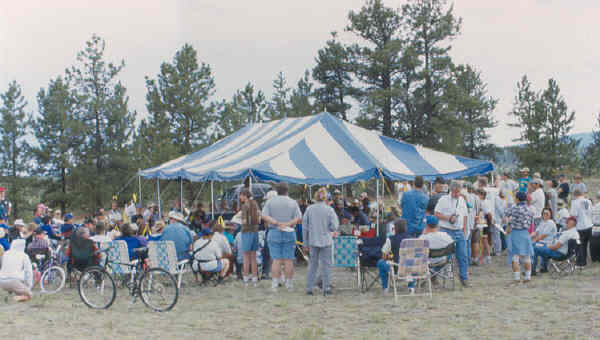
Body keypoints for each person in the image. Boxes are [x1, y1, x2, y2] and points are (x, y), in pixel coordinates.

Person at [261, 183, 302, 292]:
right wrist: (288, 224)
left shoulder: (270, 202)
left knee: (276, 260)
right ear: (287, 191)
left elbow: (264, 216)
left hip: (274, 231)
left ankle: (275, 283)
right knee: (289, 260)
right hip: (289, 232)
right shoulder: (293, 202)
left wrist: (276, 222)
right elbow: (299, 218)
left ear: (277, 191)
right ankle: (289, 284)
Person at [303, 187, 339, 296]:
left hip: (313, 240)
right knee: (326, 265)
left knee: (312, 264)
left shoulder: (309, 209)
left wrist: (305, 243)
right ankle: (326, 288)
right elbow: (334, 226)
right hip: (326, 240)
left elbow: (305, 227)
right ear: (326, 198)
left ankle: (309, 288)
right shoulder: (329, 210)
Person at [434, 181, 470, 287]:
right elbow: (436, 213)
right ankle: (434, 275)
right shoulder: (443, 200)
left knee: (463, 255)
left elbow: (464, 216)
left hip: (459, 231)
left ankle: (464, 278)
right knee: (444, 257)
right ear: (451, 190)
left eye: (458, 192)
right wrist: (448, 218)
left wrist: (464, 230)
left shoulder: (462, 200)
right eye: (455, 192)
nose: (457, 194)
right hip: (446, 230)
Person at [505, 191, 535, 285]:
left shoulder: (515, 208)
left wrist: (510, 222)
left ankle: (517, 278)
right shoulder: (529, 209)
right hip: (526, 233)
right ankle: (528, 276)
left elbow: (505, 213)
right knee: (527, 256)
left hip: (516, 233)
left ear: (517, 199)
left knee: (515, 257)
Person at [376, 219, 412, 295]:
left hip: (397, 269)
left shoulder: (390, 239)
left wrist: (390, 257)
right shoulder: (412, 239)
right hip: (412, 269)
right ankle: (411, 287)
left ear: (395, 228)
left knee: (380, 262)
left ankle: (385, 287)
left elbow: (384, 256)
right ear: (405, 228)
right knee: (412, 263)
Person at [239, 189, 261, 287]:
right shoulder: (255, 204)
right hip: (255, 231)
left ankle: (246, 279)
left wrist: (239, 219)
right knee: (253, 257)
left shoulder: (245, 206)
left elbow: (244, 221)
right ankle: (255, 279)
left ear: (245, 196)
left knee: (245, 257)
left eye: (241, 195)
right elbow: (259, 218)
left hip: (246, 231)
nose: (240, 197)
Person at [530, 208, 557, 274]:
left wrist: (533, 241)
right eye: (544, 213)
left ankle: (532, 270)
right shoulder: (542, 222)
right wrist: (528, 238)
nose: (545, 215)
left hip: (548, 245)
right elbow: (536, 232)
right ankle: (543, 267)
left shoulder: (551, 223)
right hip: (542, 243)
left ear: (550, 215)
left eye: (547, 214)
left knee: (533, 247)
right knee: (533, 245)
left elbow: (543, 236)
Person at [570, 189, 593, 266]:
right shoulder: (588, 201)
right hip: (589, 225)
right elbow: (591, 212)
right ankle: (587, 260)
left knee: (580, 246)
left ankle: (581, 262)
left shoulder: (575, 202)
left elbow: (574, 215)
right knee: (586, 245)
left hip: (580, 227)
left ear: (574, 194)